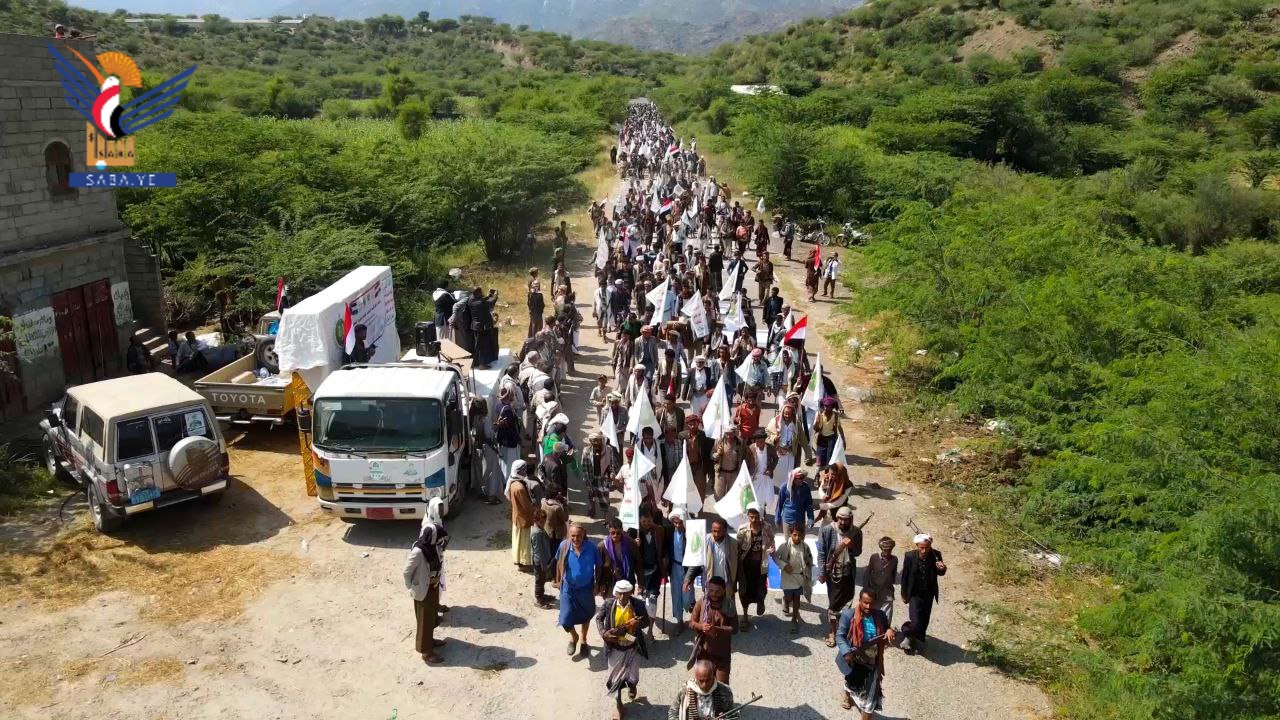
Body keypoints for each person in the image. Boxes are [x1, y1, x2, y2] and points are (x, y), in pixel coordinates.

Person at [597, 580, 652, 719]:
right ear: (615, 593)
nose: (622, 597)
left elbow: (646, 621)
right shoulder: (609, 604)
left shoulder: (638, 604)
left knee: (633, 676)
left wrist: (637, 623)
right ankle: (618, 705)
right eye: (619, 593)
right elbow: (599, 618)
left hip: (632, 644)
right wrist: (604, 633)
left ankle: (632, 686)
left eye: (625, 594)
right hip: (614, 645)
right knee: (614, 679)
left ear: (630, 593)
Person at [403, 498, 449, 664]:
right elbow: (406, 572)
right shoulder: (418, 551)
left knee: (430, 618)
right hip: (423, 590)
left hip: (433, 586)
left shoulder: (432, 547)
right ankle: (426, 652)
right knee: (424, 621)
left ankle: (430, 641)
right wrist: (411, 588)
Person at [836, 589, 895, 717]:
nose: (868, 606)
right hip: (855, 658)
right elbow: (840, 636)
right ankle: (847, 694)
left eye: (871, 603)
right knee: (852, 682)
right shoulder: (848, 615)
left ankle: (867, 711)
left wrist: (889, 630)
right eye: (865, 603)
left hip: (874, 660)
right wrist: (846, 652)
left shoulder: (880, 615)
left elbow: (886, 628)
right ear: (860, 601)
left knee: (870, 697)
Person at [818, 506, 863, 648]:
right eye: (840, 519)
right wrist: (822, 573)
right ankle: (832, 632)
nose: (843, 522)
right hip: (833, 574)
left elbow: (858, 552)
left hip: (848, 573)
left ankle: (842, 631)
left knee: (847, 603)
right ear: (837, 518)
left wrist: (850, 546)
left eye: (846, 520)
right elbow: (821, 553)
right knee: (834, 604)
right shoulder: (827, 530)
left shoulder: (856, 532)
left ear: (851, 519)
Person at [556, 523, 601, 657]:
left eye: (578, 536)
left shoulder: (592, 548)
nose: (576, 539)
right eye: (573, 536)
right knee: (565, 619)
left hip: (586, 588)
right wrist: (558, 580)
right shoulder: (564, 546)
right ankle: (574, 636)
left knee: (586, 614)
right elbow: (559, 563)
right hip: (568, 588)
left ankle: (583, 640)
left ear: (584, 534)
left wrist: (597, 584)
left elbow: (599, 566)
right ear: (569, 535)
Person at [900, 533, 946, 654]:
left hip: (928, 593)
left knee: (924, 619)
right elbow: (905, 576)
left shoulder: (936, 555)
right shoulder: (910, 556)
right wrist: (904, 594)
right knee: (915, 620)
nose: (924, 550)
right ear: (917, 546)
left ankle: (918, 639)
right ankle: (907, 633)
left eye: (927, 547)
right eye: (921, 547)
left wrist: (942, 568)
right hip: (915, 594)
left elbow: (941, 572)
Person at [686, 576, 734, 685]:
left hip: (722, 653)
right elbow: (691, 623)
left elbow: (734, 629)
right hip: (704, 653)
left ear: (724, 591)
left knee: (722, 687)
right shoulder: (701, 603)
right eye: (711, 591)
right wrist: (701, 626)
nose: (714, 594)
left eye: (717, 592)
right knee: (704, 686)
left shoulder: (729, 605)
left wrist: (716, 630)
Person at [734, 507, 773, 629]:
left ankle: (760, 601)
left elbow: (772, 540)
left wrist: (772, 547)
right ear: (748, 516)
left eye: (757, 517)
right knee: (744, 592)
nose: (754, 520)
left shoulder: (767, 527)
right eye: (751, 517)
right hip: (745, 567)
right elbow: (737, 547)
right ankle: (745, 616)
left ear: (761, 516)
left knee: (762, 589)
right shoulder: (742, 530)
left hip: (761, 566)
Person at [669, 660, 738, 720]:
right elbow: (673, 712)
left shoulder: (725, 690)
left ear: (713, 676)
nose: (705, 685)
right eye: (701, 681)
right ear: (696, 677)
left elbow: (734, 715)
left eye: (708, 680)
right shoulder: (685, 690)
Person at [776, 524, 814, 634]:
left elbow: (809, 559)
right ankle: (786, 600)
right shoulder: (784, 546)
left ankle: (794, 620)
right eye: (794, 535)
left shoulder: (805, 547)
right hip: (788, 577)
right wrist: (784, 565)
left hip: (799, 577)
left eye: (799, 535)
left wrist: (808, 573)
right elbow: (776, 558)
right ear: (790, 534)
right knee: (789, 597)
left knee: (797, 598)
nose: (797, 538)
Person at [636, 508, 668, 637]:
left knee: (652, 601)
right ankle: (640, 627)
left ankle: (650, 630)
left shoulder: (659, 530)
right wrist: (635, 543)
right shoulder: (635, 532)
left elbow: (665, 548)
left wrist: (665, 561)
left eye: (649, 521)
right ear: (640, 520)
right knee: (644, 602)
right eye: (644, 521)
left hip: (655, 571)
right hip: (642, 573)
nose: (646, 524)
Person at [667, 509, 694, 635]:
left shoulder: (691, 533)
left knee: (687, 597)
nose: (677, 525)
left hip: (687, 568)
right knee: (676, 595)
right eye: (675, 523)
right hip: (674, 567)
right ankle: (679, 621)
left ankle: (693, 610)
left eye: (680, 523)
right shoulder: (669, 531)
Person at [507, 460, 536, 569]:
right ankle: (523, 564)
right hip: (523, 518)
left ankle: (517, 560)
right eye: (524, 470)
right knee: (523, 543)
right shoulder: (519, 487)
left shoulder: (514, 483)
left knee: (517, 541)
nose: (525, 471)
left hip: (517, 516)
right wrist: (536, 510)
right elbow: (526, 506)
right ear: (519, 471)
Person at [599, 517, 640, 591]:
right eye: (613, 533)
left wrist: (641, 583)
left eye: (618, 533)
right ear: (609, 531)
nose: (615, 535)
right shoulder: (602, 546)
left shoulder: (631, 543)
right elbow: (599, 566)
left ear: (622, 530)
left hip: (628, 582)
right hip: (610, 582)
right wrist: (601, 583)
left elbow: (638, 563)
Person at [864, 537, 899, 623]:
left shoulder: (894, 560)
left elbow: (893, 577)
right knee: (872, 618)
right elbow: (867, 574)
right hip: (874, 593)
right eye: (885, 550)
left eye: (889, 550)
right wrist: (866, 590)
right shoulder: (874, 557)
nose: (887, 552)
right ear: (881, 548)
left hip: (887, 594)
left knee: (886, 619)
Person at [775, 468, 815, 537]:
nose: (801, 480)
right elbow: (779, 504)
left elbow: (809, 504)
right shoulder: (784, 487)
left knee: (800, 541)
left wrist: (811, 518)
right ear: (793, 478)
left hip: (800, 521)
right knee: (788, 541)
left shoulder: (806, 487)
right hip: (788, 520)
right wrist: (777, 518)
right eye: (799, 478)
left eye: (803, 478)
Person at [530, 507, 556, 609]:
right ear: (535, 520)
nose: (543, 523)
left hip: (543, 560)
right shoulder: (537, 533)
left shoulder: (539, 529)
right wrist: (542, 564)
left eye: (544, 521)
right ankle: (539, 600)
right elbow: (538, 551)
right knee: (539, 581)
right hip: (540, 562)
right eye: (541, 521)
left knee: (542, 579)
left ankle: (542, 595)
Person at [467, 287, 499, 369]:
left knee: (478, 345)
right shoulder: (481, 303)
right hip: (482, 327)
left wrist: (488, 296)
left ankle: (476, 362)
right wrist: (495, 295)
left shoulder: (470, 299)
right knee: (482, 346)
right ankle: (482, 364)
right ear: (478, 293)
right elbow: (491, 303)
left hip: (476, 326)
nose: (482, 293)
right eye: (481, 292)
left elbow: (482, 300)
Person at [812, 397, 845, 468]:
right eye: (825, 406)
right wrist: (817, 422)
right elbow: (815, 428)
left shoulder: (835, 416)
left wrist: (843, 440)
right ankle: (818, 472)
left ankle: (827, 471)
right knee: (819, 457)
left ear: (832, 407)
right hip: (821, 438)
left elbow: (840, 428)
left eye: (828, 406)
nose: (826, 408)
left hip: (831, 438)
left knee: (830, 458)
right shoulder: (819, 414)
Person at [528, 268, 546, 336]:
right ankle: (534, 336)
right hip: (534, 304)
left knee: (534, 322)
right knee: (535, 323)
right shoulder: (532, 280)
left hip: (535, 304)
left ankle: (531, 335)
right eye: (537, 272)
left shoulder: (533, 279)